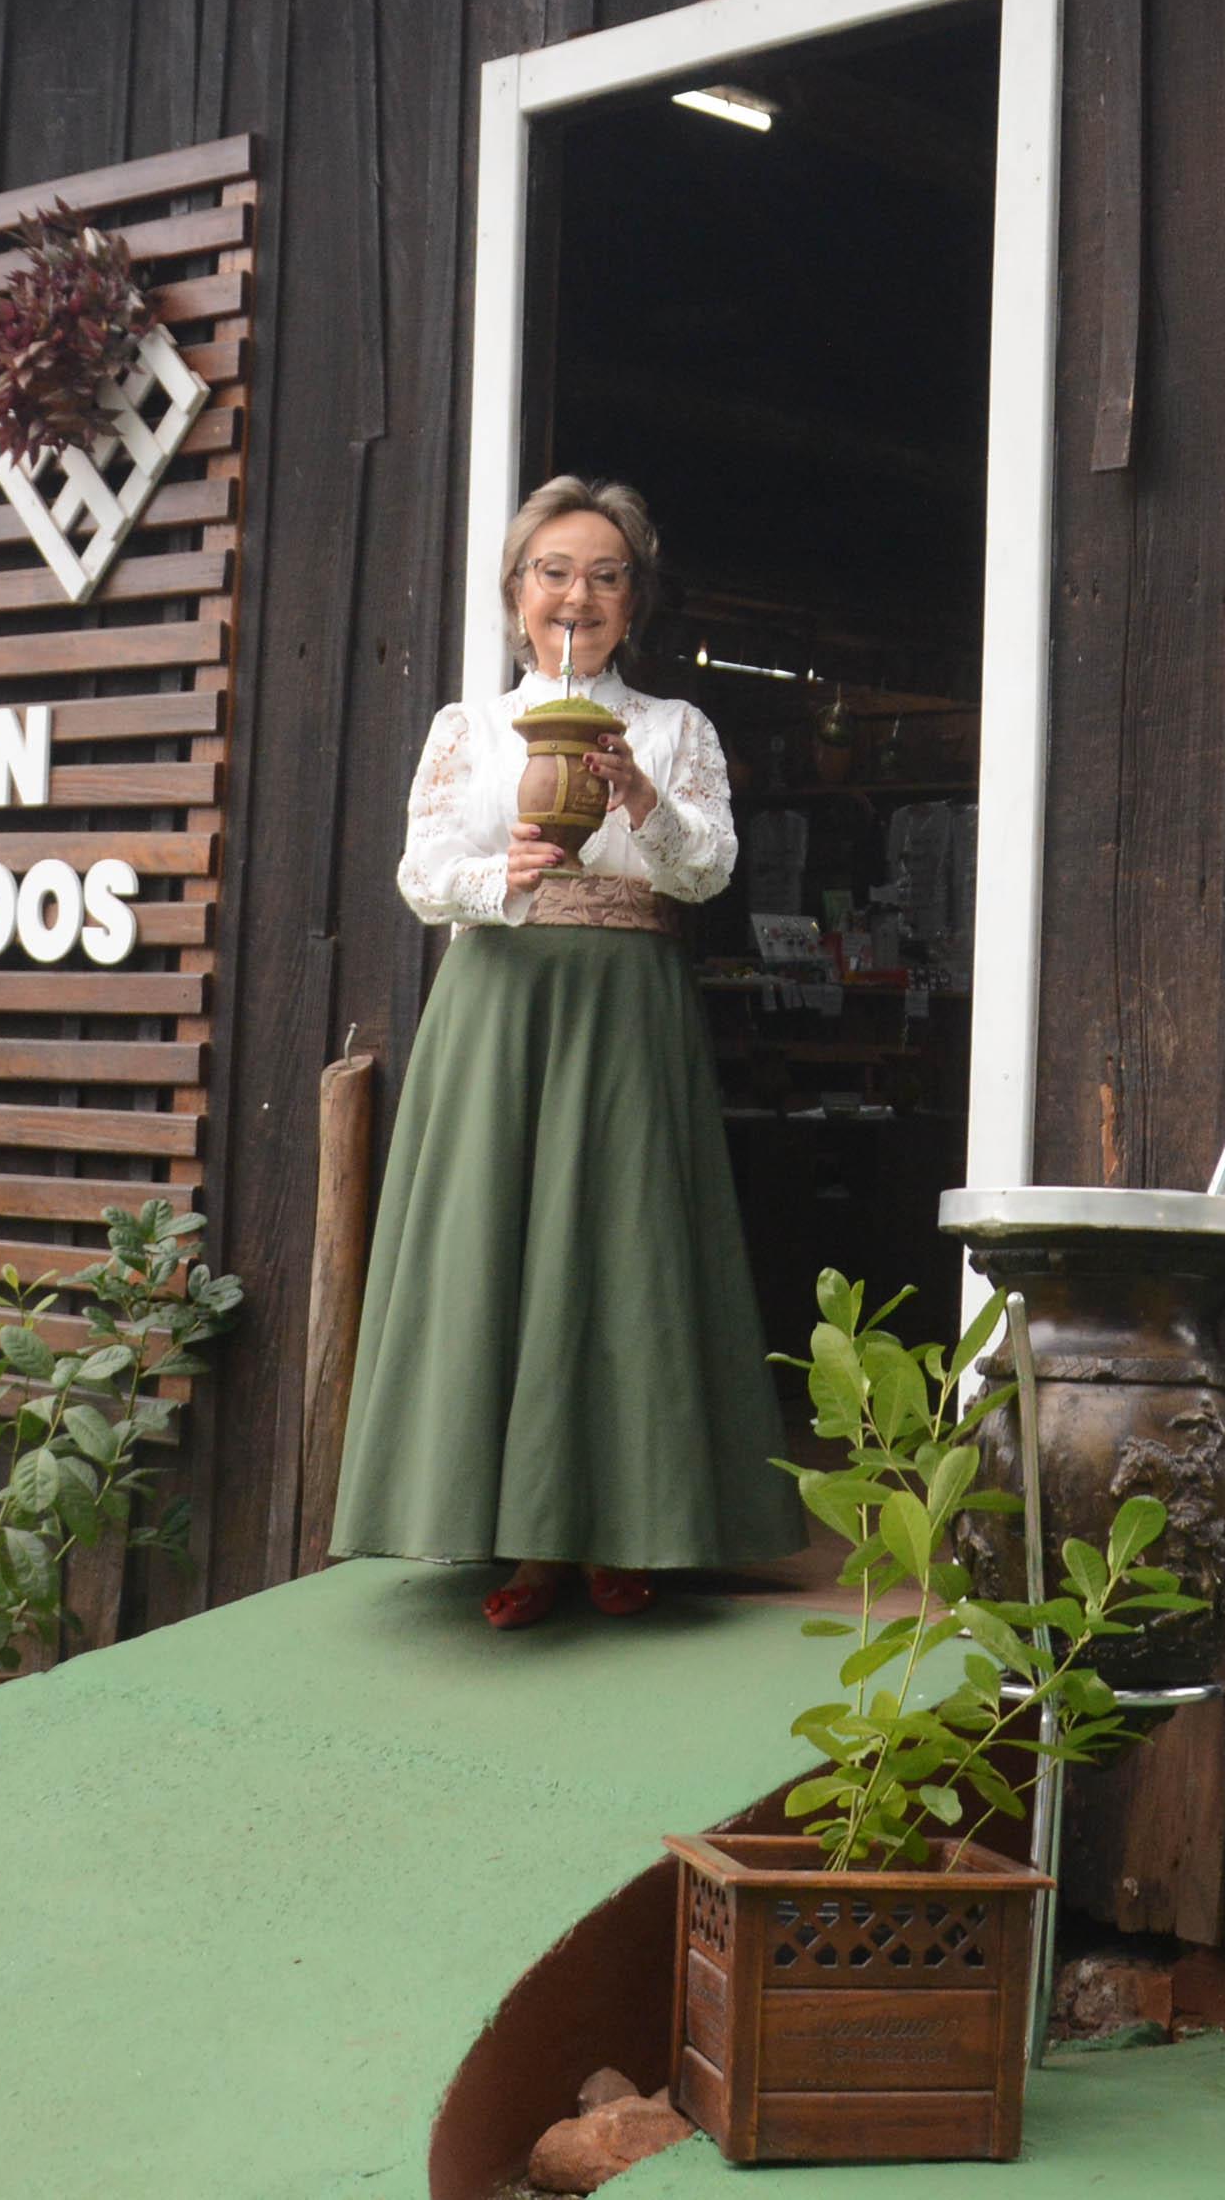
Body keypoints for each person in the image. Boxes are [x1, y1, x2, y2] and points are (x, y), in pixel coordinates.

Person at [330, 476, 805, 1624]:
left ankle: (621, 1530)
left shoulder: (676, 730)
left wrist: (641, 797)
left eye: (602, 574)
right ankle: (518, 1546)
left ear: (632, 601)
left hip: (628, 1007)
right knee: (496, 1250)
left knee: (623, 1255)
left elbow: (706, 872)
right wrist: (503, 880)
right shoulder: (467, 729)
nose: (576, 594)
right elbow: (420, 873)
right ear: (516, 594)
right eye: (553, 571)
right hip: (499, 1002)